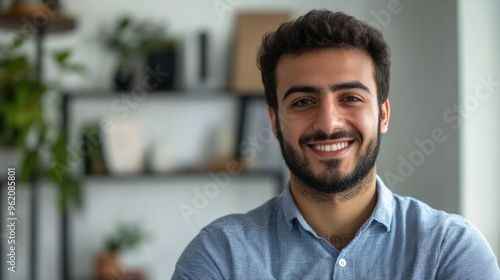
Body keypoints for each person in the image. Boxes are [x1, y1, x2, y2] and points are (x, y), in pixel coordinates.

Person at [172, 9, 500, 279]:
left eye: (350, 98)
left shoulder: (450, 250)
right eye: (303, 102)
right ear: (274, 122)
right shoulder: (219, 257)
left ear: (382, 115)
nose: (329, 123)